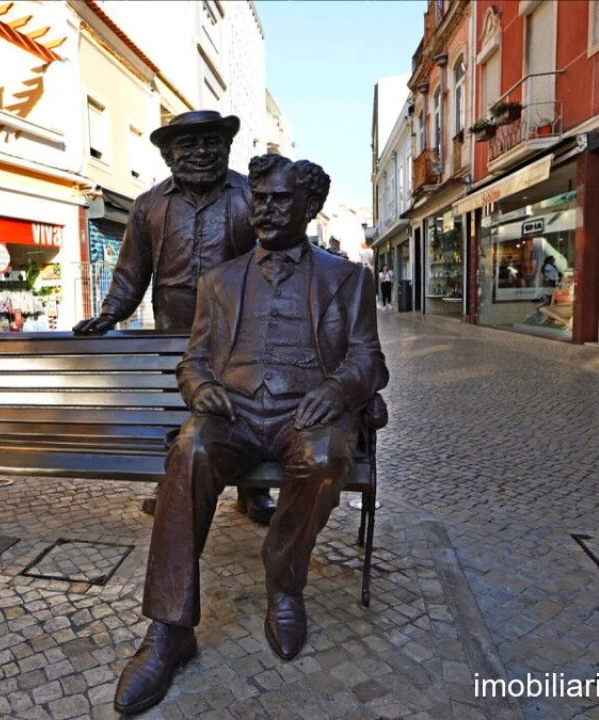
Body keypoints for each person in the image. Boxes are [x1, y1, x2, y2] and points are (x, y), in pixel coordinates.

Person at [113, 154, 388, 715]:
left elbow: (368, 359)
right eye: (259, 198)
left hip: (305, 414)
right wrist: (200, 388)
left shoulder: (347, 278)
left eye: (279, 199)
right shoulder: (219, 280)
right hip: (233, 414)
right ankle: (169, 629)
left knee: (324, 456)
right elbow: (193, 360)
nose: (263, 209)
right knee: (188, 449)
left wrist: (336, 392)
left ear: (309, 207)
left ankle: (284, 583)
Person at [72, 110, 276, 525]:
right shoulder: (149, 205)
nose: (201, 152)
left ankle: (253, 488)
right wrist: (110, 313)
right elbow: (131, 271)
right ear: (168, 154)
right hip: (175, 326)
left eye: (211, 142)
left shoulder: (250, 195)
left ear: (226, 146)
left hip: (243, 324)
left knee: (246, 402)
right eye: (188, 144)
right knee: (179, 406)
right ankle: (175, 480)